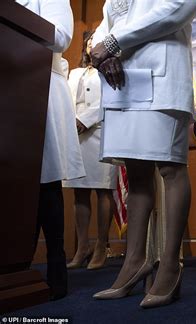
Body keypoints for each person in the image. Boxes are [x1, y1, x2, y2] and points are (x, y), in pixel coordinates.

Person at [89, 0, 196, 308]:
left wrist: (113, 42)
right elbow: (107, 20)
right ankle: (134, 261)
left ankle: (169, 265)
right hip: (123, 77)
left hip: (161, 71)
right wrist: (100, 51)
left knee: (170, 168)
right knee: (136, 173)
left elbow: (182, 7)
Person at [16, 0, 85, 300]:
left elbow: (60, 37)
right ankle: (16, 266)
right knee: (14, 185)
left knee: (45, 182)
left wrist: (14, 21)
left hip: (40, 87)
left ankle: (57, 269)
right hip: (10, 92)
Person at [63, 31, 118, 271]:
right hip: (75, 135)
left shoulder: (111, 69)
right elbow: (65, 100)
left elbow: (111, 99)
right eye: (88, 42)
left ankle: (102, 245)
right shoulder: (74, 73)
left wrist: (85, 118)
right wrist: (70, 121)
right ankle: (82, 246)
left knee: (103, 190)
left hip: (100, 132)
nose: (90, 45)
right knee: (79, 192)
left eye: (96, 41)